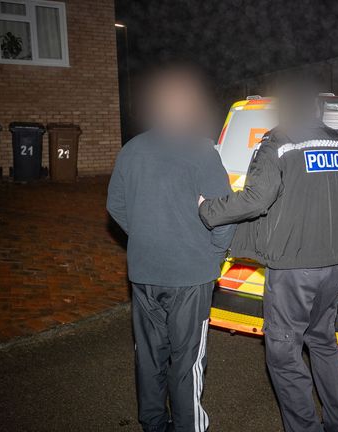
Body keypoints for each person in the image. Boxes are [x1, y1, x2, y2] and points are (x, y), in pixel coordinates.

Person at [198, 82, 338, 432]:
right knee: (323, 341)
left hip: (294, 269)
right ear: (317, 111)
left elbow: (255, 200)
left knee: (283, 352)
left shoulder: (279, 144)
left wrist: (209, 210)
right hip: (335, 266)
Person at [107, 65, 235, 432]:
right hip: (190, 276)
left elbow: (116, 206)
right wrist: (214, 255)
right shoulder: (202, 152)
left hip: (144, 273)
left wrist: (147, 233)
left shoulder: (131, 151)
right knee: (187, 360)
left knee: (148, 357)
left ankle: (153, 424)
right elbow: (224, 213)